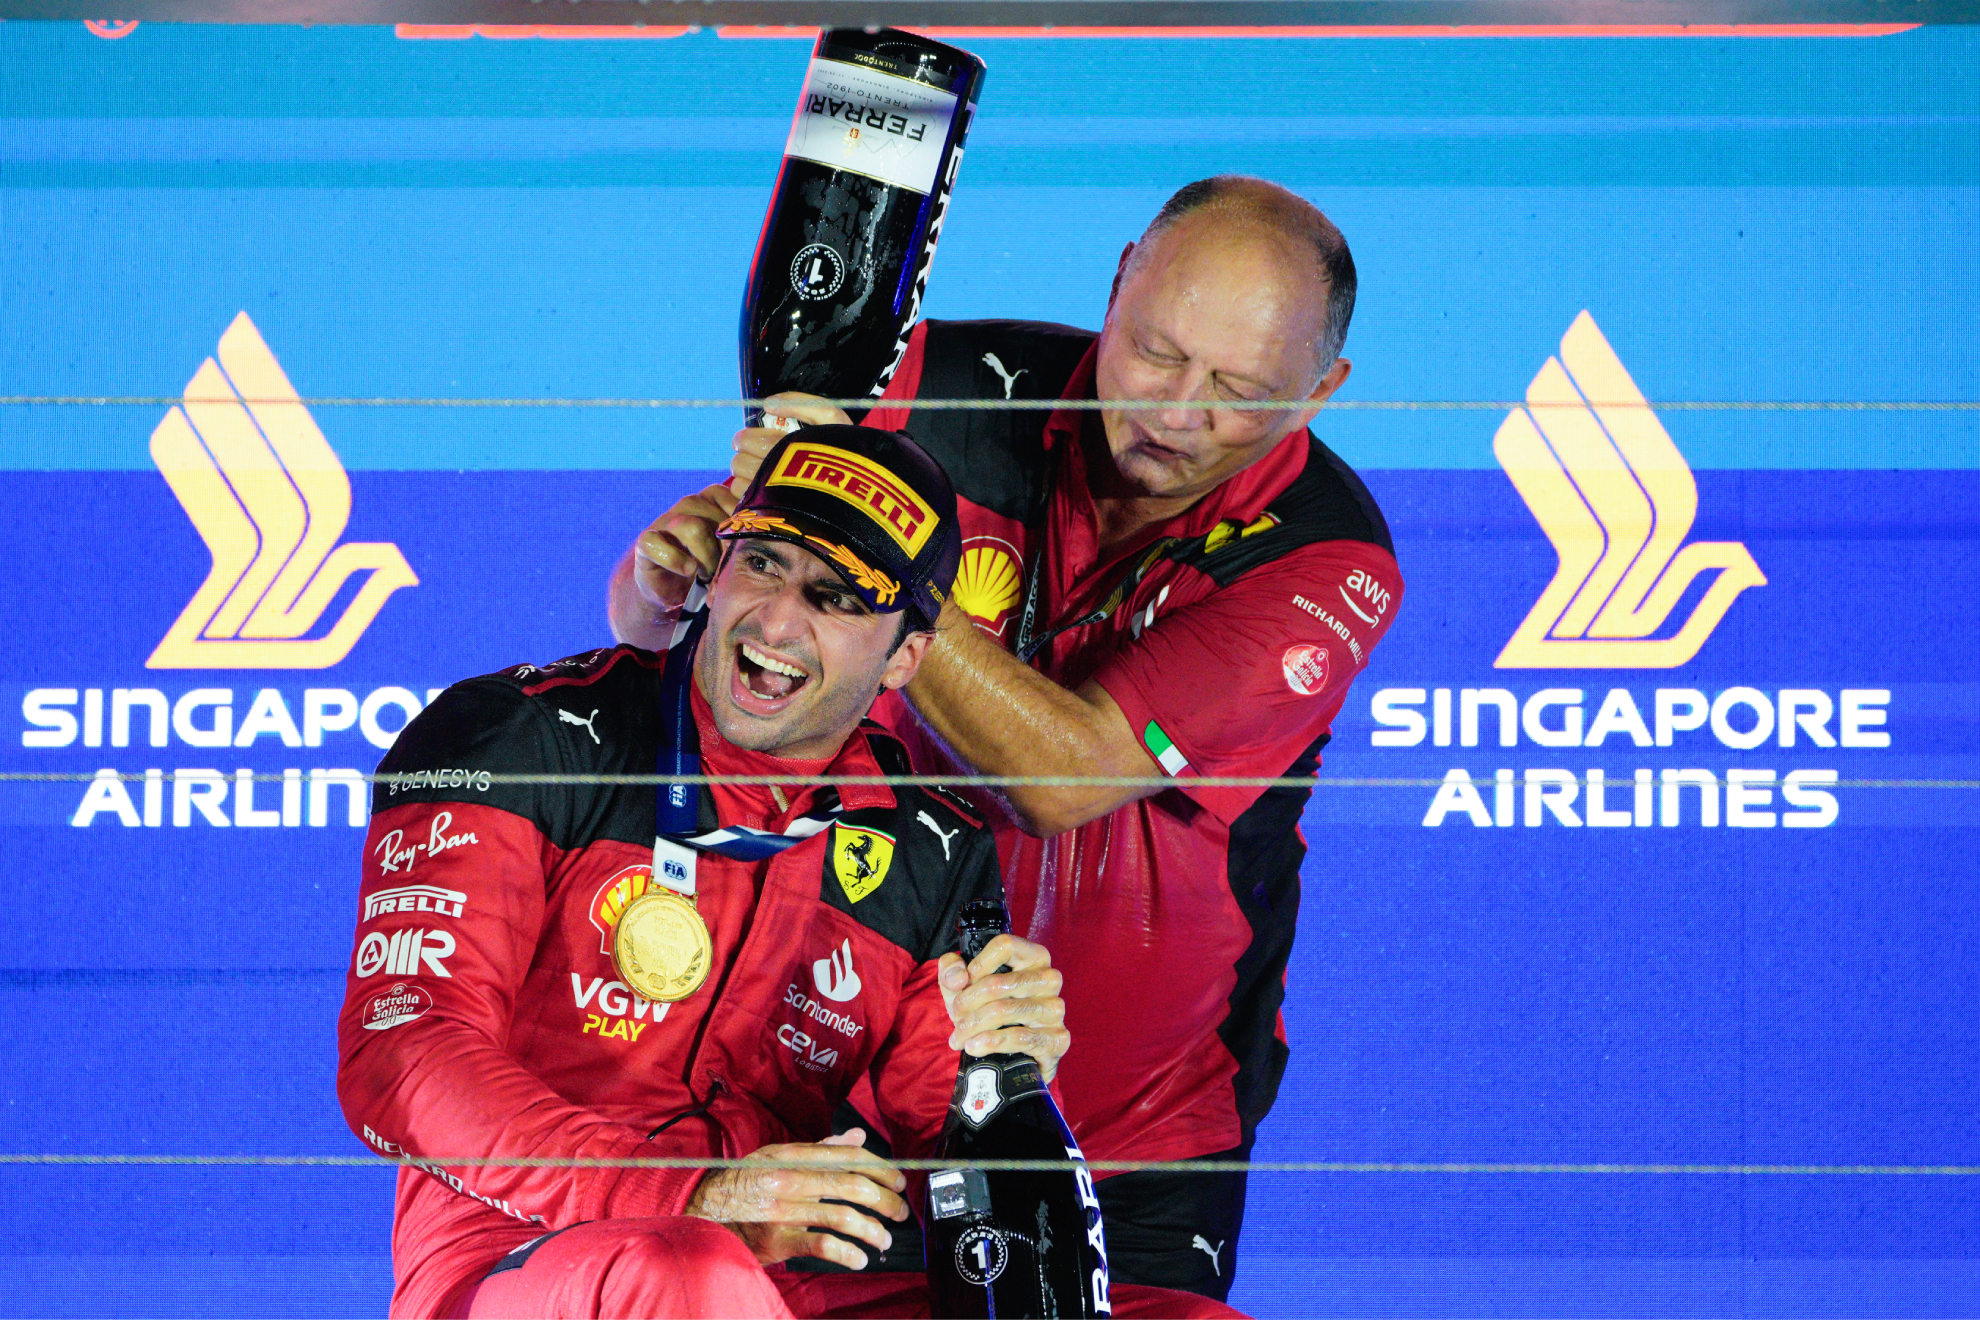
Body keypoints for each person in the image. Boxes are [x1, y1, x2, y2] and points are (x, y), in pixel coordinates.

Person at [612, 176, 1403, 1301]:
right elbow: (736, 623)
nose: (1175, 412)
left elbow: (1063, 774)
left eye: (1238, 390)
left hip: (1129, 1140)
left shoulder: (1326, 562)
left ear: (1323, 390)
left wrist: (889, 584)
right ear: (1119, 280)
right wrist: (664, 586)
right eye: (1155, 352)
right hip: (833, 1080)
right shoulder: (929, 382)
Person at [339, 426, 1236, 1320]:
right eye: (762, 563)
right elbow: (402, 1054)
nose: (775, 621)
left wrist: (1002, 1081)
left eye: (837, 597)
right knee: (693, 1277)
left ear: (905, 659)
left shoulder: (929, 843)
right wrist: (688, 1194)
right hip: (520, 1256)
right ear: (716, 568)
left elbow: (950, 1165)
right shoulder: (516, 736)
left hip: (788, 1287)